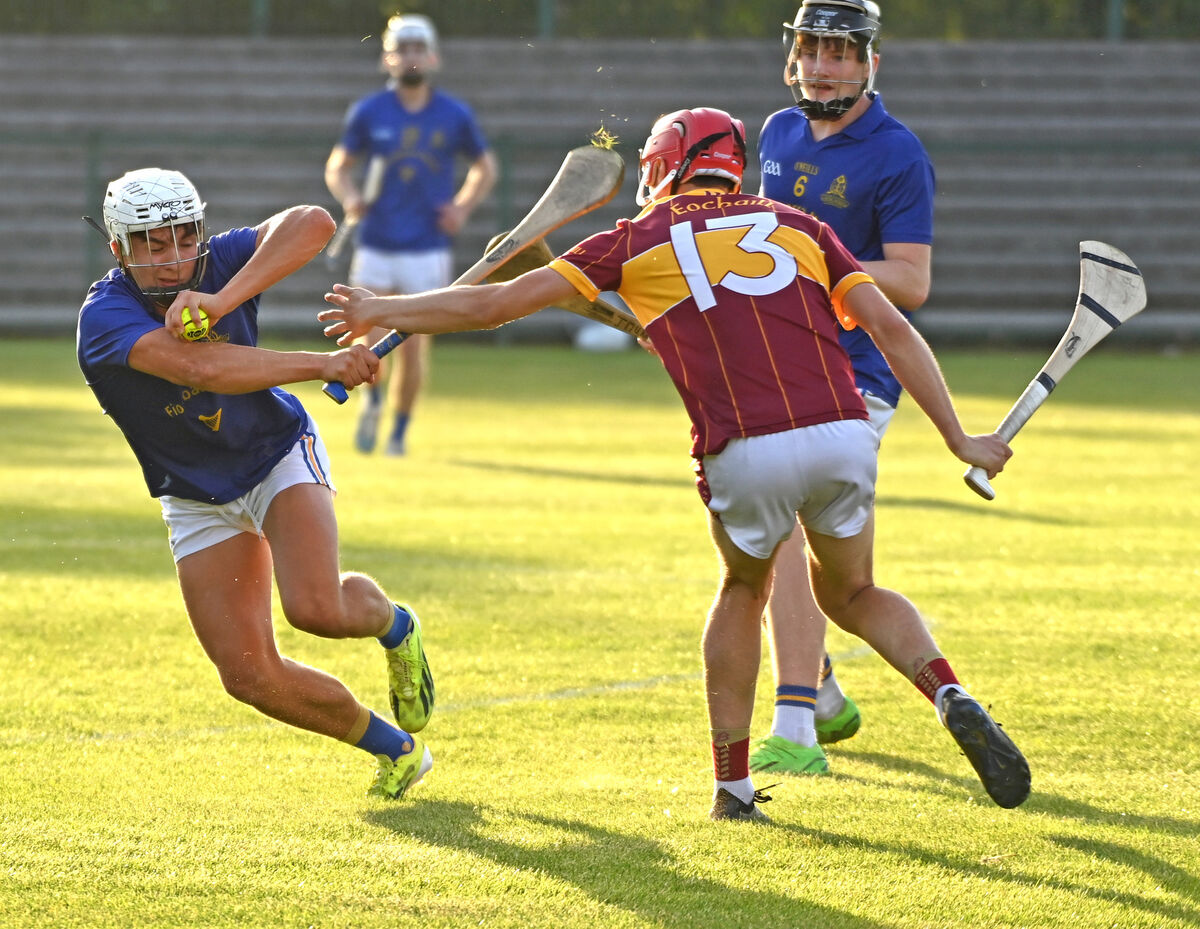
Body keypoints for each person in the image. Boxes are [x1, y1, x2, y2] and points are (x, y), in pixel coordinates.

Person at [318, 107, 1032, 820]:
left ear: (665, 166)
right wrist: (958, 437)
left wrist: (385, 309)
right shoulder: (802, 227)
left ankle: (733, 788)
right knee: (853, 594)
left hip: (747, 446)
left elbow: (494, 304)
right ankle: (948, 691)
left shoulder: (634, 239)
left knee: (742, 592)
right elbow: (890, 327)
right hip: (843, 432)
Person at [76, 167, 437, 800]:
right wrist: (320, 363)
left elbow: (313, 224)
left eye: (185, 238)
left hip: (275, 455)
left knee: (316, 610)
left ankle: (395, 627)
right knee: (247, 676)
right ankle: (397, 750)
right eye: (152, 246)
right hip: (195, 494)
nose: (173, 260)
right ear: (118, 251)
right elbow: (200, 365)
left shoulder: (218, 264)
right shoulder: (104, 318)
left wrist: (222, 299)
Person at [748, 0, 938, 778]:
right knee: (820, 573)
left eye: (838, 52)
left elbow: (913, 280)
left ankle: (796, 721)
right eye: (810, 49)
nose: (821, 65)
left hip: (857, 373)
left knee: (776, 511)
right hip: (776, 362)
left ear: (869, 65)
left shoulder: (897, 153)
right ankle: (823, 691)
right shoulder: (777, 132)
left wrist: (807, 265)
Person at [324, 13, 497, 456]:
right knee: (368, 336)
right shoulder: (369, 112)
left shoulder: (454, 114)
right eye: (403, 49)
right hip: (377, 243)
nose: (411, 57)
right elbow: (338, 167)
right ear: (387, 58)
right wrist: (350, 198)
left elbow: (485, 167)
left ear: (433, 56)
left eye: (419, 49)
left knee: (415, 347)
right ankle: (373, 402)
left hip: (427, 248)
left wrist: (460, 207)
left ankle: (399, 432)